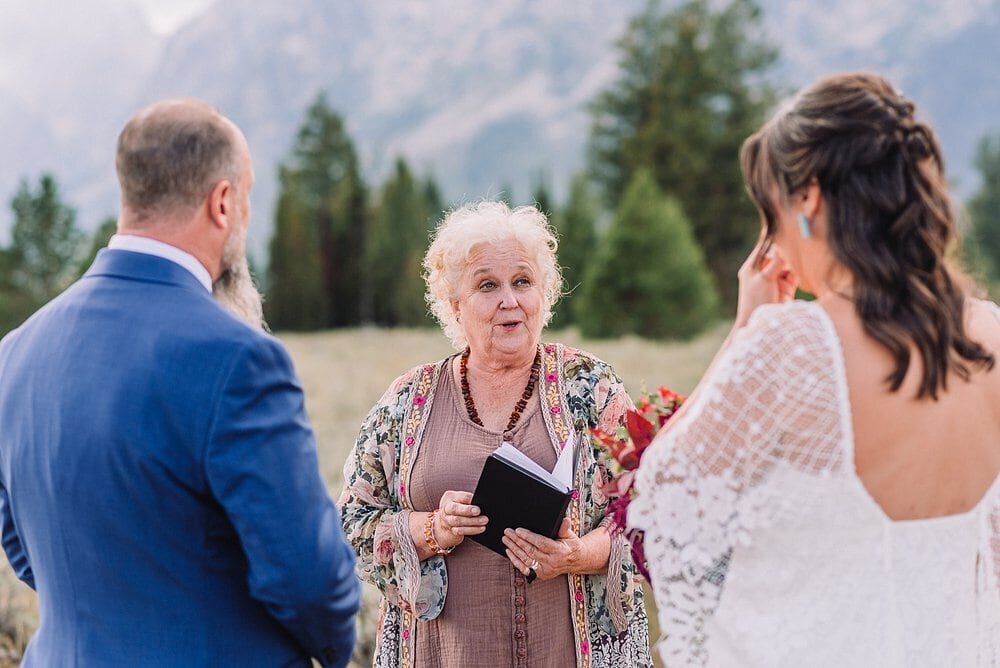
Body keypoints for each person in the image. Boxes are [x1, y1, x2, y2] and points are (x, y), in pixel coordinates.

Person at [629, 71, 1000, 666]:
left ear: (808, 200)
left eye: (769, 210)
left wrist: (746, 329)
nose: (772, 236)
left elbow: (664, 490)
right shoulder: (989, 333)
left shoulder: (796, 346)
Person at [0, 99, 360, 667]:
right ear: (222, 202)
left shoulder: (14, 352)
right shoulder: (239, 359)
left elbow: (22, 547)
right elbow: (308, 578)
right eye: (246, 197)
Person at [339, 201, 651, 667]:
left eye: (522, 281)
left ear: (543, 293)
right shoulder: (407, 400)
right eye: (488, 285)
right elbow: (352, 521)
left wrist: (575, 554)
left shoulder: (591, 386)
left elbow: (647, 511)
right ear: (455, 307)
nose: (510, 300)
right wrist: (433, 528)